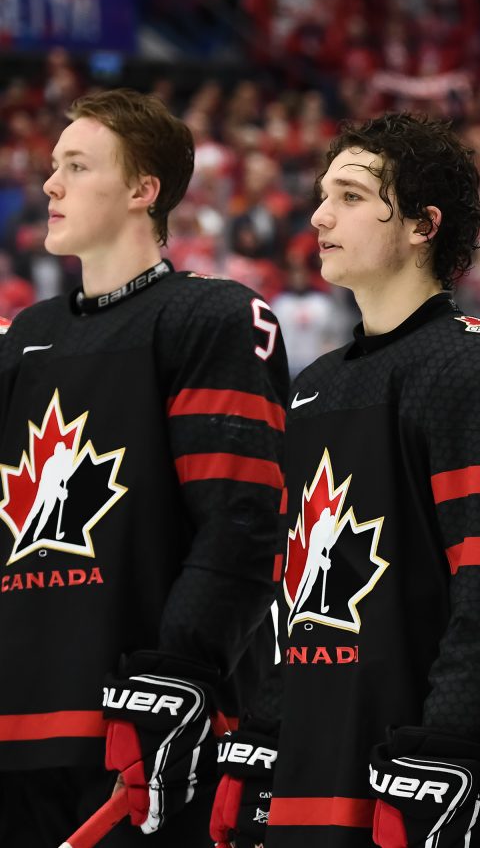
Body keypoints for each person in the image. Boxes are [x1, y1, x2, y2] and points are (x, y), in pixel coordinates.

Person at [212, 113, 480, 848]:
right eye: (321, 195)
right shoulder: (314, 388)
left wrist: (447, 743)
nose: (319, 214)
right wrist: (261, 737)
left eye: (352, 195)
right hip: (312, 769)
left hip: (423, 782)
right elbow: (291, 593)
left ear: (422, 224)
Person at [0, 88, 289, 846]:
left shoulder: (209, 315)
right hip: (17, 719)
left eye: (76, 166)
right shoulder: (26, 336)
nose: (51, 184)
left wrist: (179, 672)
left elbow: (243, 515)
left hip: (146, 728)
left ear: (142, 190)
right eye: (52, 166)